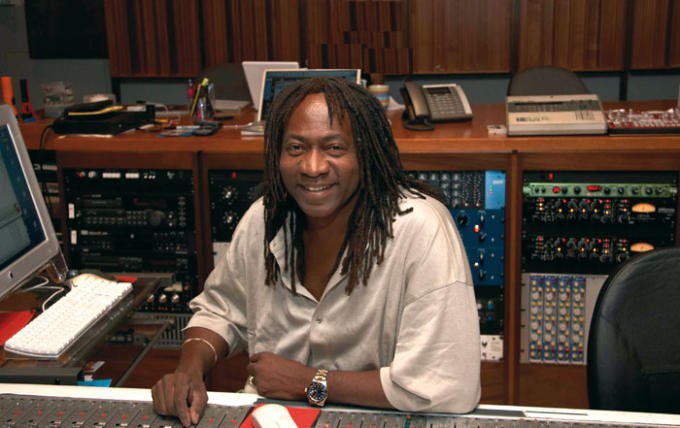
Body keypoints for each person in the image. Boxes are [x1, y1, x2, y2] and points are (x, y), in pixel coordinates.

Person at [151, 76, 481, 426]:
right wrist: (189, 369)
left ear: (366, 153)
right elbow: (221, 310)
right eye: (296, 148)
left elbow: (446, 386)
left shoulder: (421, 229)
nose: (312, 167)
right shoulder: (264, 218)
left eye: (334, 148)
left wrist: (309, 383)